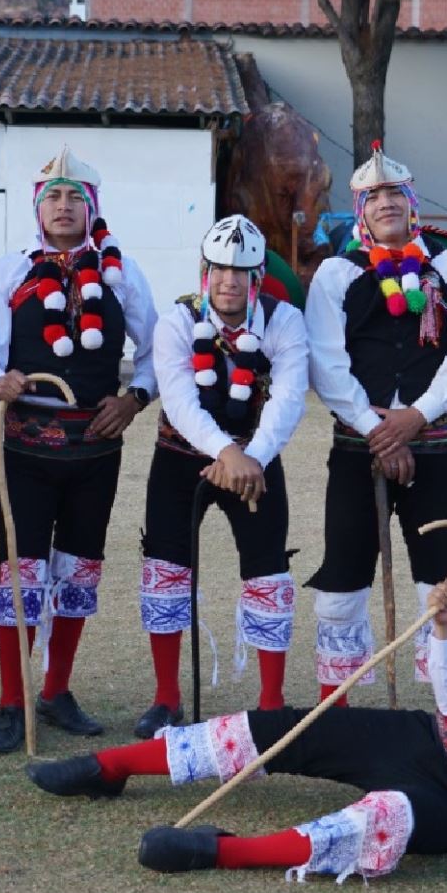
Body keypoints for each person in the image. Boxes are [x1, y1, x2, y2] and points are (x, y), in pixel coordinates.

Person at [29, 582, 447, 884]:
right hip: (425, 741)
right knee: (290, 727)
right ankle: (111, 766)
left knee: (378, 822)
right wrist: (446, 632)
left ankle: (217, 852)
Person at [0, 146, 158, 751]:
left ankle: (55, 689)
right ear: (36, 207)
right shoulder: (8, 273)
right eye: (51, 196)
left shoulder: (122, 273)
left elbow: (160, 349)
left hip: (96, 451)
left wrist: (135, 398)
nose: (62, 206)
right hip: (26, 449)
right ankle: (10, 700)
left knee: (79, 570)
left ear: (91, 207)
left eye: (74, 196)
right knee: (19, 574)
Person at [304, 142, 447, 698]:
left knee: (443, 583)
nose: (385, 202)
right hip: (356, 449)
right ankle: (334, 717)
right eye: (372, 196)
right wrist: (376, 431)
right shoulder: (336, 273)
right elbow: (326, 360)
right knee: (341, 583)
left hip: (433, 446)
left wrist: (414, 417)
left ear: (412, 203)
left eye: (394, 193)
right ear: (358, 209)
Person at [135, 214, 309, 735]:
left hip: (257, 456)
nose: (228, 281)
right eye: (218, 270)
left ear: (257, 277)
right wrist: (225, 453)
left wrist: (249, 456)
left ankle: (271, 701)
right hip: (181, 456)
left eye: (240, 272)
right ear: (203, 271)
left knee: (267, 569)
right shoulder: (176, 322)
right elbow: (182, 400)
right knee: (166, 571)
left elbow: (289, 396)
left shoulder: (284, 320)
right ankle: (167, 697)